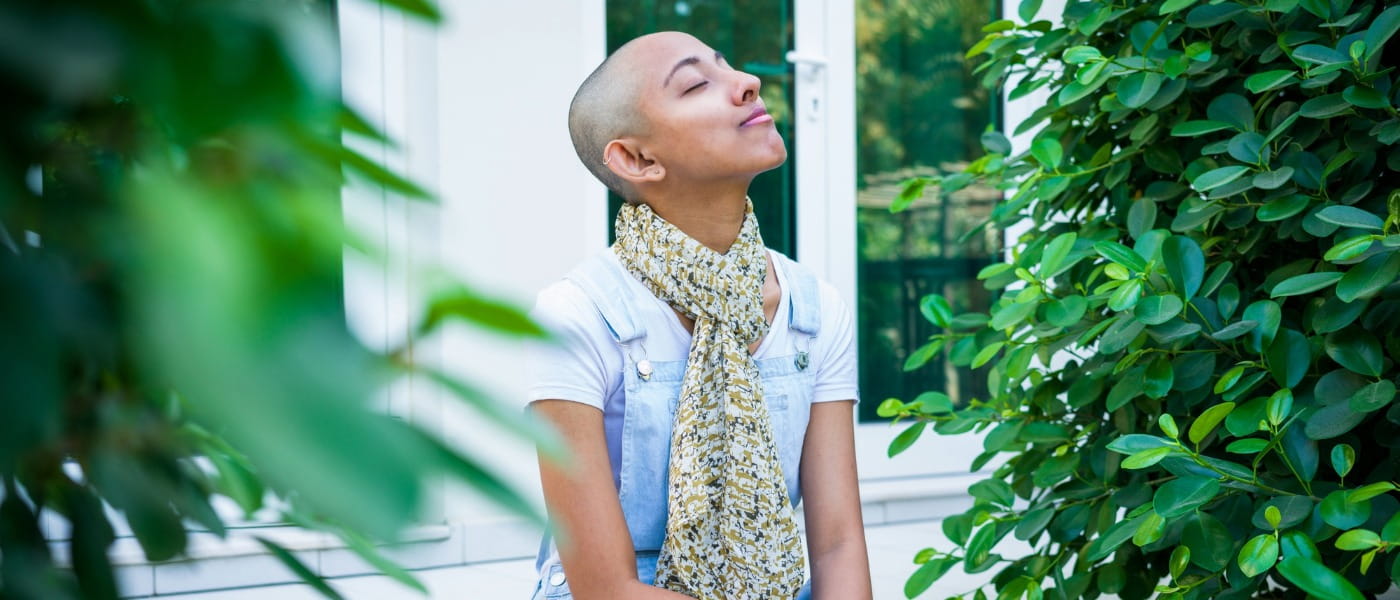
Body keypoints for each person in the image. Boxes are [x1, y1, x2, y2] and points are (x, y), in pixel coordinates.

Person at [525, 31, 872, 600]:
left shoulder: (813, 308)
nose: (747, 84)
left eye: (729, 66)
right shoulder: (577, 314)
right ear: (637, 158)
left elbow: (836, 545)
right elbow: (606, 589)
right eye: (694, 84)